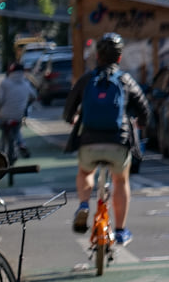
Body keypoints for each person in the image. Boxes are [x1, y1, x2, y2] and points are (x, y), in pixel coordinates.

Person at [64, 33, 150, 246]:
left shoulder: (86, 80)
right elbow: (145, 110)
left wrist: (73, 119)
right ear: (119, 58)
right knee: (120, 180)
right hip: (118, 142)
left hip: (89, 141)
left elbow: (68, 112)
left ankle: (84, 204)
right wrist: (140, 123)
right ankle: (120, 230)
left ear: (98, 56)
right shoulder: (125, 80)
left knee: (85, 172)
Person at [0, 61, 36, 162]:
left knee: (4, 132)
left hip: (4, 115)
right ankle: (21, 144)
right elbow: (33, 96)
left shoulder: (4, 83)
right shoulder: (26, 84)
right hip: (19, 115)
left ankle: (0, 151)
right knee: (16, 130)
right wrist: (26, 105)